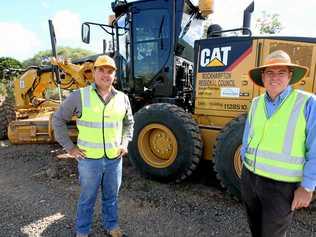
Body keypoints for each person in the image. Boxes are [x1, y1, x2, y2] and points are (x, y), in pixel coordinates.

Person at [53, 55, 134, 237]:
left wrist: (124, 142)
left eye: (110, 71)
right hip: (89, 160)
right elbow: (58, 120)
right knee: (87, 198)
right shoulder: (79, 96)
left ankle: (111, 226)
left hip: (114, 159)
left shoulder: (123, 98)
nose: (105, 75)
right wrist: (70, 148)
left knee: (111, 198)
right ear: (94, 72)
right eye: (101, 70)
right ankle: (82, 231)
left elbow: (129, 123)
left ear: (115, 75)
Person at [240, 50, 316, 237]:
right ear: (263, 77)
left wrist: (307, 187)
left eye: (281, 72)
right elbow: (247, 136)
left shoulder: (307, 103)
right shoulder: (256, 103)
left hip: (282, 187)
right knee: (255, 229)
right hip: (250, 178)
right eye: (270, 73)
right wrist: (244, 165)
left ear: (290, 76)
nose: (275, 78)